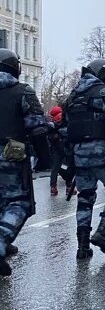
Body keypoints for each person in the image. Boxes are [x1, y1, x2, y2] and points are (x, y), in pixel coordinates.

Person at [64, 58, 105, 260]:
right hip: (104, 152)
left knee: (85, 197)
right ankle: (102, 232)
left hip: (79, 154)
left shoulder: (74, 95)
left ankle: (82, 247)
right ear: (101, 74)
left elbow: (66, 125)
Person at [0, 49, 50, 276]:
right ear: (15, 68)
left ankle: (5, 246)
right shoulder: (22, 91)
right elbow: (37, 128)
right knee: (19, 203)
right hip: (11, 154)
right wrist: (45, 159)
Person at [48, 106, 73, 196]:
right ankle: (69, 186)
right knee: (70, 165)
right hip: (66, 145)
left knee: (55, 167)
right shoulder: (66, 117)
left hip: (55, 146)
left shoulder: (51, 122)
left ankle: (53, 187)